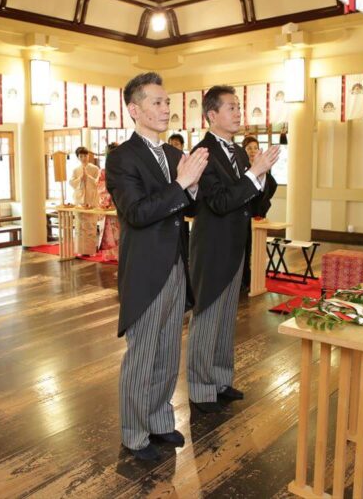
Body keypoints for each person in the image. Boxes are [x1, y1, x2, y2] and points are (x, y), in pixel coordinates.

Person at [106, 72, 209, 461]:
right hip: (146, 267)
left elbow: (191, 207)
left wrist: (193, 186)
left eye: (168, 102)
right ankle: (134, 434)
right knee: (143, 352)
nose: (166, 108)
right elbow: (136, 212)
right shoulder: (121, 158)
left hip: (176, 264)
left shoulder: (170, 155)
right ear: (134, 110)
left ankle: (160, 421)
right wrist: (182, 184)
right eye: (157, 102)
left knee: (167, 350)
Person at [187, 86, 280, 413]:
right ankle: (200, 389)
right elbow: (220, 202)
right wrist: (253, 174)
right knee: (207, 317)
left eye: (240, 107)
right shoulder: (203, 153)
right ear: (212, 115)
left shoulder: (239, 153)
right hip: (212, 247)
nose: (239, 113)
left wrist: (263, 174)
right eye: (232, 108)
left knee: (226, 317)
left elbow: (253, 202)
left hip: (235, 245)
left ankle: (221, 380)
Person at [240, 135, 278, 293]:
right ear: (244, 151)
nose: (252, 151)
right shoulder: (241, 169)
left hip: (255, 215)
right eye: (249, 148)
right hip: (241, 215)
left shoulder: (265, 172)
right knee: (242, 250)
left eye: (255, 148)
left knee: (251, 250)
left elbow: (271, 187)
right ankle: (242, 281)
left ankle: (250, 281)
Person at [69, 146, 100, 255]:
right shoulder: (76, 170)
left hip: (91, 199)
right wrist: (80, 178)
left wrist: (88, 177)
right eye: (81, 156)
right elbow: (72, 183)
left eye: (85, 155)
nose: (83, 158)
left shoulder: (95, 169)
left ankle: (91, 251)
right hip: (79, 200)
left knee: (91, 225)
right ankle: (80, 250)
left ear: (88, 156)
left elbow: (98, 183)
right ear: (78, 157)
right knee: (79, 226)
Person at [96, 143, 120, 262]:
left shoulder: (124, 168)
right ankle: (110, 255)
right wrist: (108, 196)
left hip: (120, 203)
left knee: (119, 231)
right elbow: (100, 186)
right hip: (110, 203)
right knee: (109, 231)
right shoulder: (103, 171)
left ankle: (120, 255)